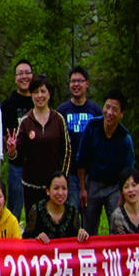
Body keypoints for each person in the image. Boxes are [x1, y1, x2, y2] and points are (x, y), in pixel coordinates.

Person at [6, 73, 71, 217]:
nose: (39, 96)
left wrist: (63, 179)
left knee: (54, 222)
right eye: (35, 92)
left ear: (49, 93)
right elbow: (17, 157)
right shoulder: (25, 121)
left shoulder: (58, 119)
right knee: (33, 224)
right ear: (31, 95)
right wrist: (12, 151)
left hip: (54, 187)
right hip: (31, 186)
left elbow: (67, 152)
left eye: (43, 91)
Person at [77, 88, 136, 236]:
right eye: (107, 107)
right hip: (93, 183)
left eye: (115, 109)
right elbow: (81, 159)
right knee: (88, 229)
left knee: (117, 225)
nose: (109, 112)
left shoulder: (125, 139)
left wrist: (121, 198)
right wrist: (83, 188)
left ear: (121, 114)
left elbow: (127, 172)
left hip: (114, 186)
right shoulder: (92, 127)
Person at [57, 66, 102, 211]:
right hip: (70, 171)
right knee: (72, 210)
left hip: (91, 173)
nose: (76, 84)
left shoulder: (95, 110)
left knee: (90, 211)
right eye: (73, 81)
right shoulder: (62, 111)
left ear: (87, 83)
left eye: (80, 81)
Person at [1, 60, 33, 221]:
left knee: (37, 211)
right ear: (15, 78)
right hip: (16, 166)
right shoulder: (8, 104)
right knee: (14, 211)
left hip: (36, 165)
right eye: (20, 73)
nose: (24, 76)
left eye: (27, 73)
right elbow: (3, 135)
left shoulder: (38, 101)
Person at [23, 171, 90, 243]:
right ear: (48, 191)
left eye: (64, 188)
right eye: (56, 188)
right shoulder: (37, 210)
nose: (60, 193)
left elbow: (77, 238)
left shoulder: (72, 212)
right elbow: (26, 240)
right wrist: (36, 239)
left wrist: (82, 234)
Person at [110, 167, 139, 234]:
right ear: (122, 191)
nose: (131, 190)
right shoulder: (117, 217)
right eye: (126, 187)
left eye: (134, 185)